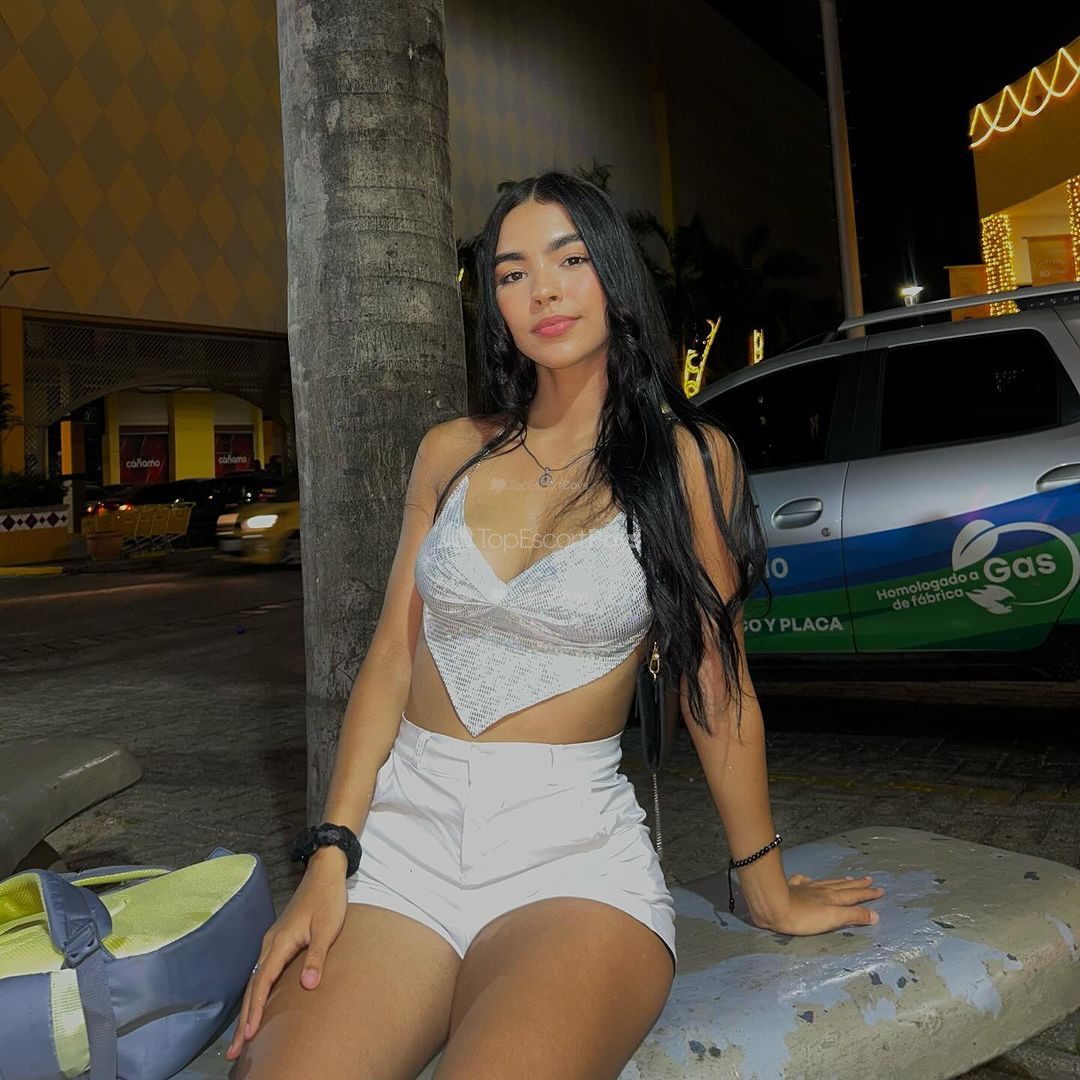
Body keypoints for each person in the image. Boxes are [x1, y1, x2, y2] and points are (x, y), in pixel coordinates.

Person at [225, 172, 885, 1079]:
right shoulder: (451, 453)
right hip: (404, 845)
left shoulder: (688, 461)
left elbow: (715, 684)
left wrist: (763, 884)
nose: (542, 289)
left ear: (613, 275)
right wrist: (332, 853)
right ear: (496, 305)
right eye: (512, 272)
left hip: (571, 860)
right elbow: (390, 660)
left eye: (570, 260)